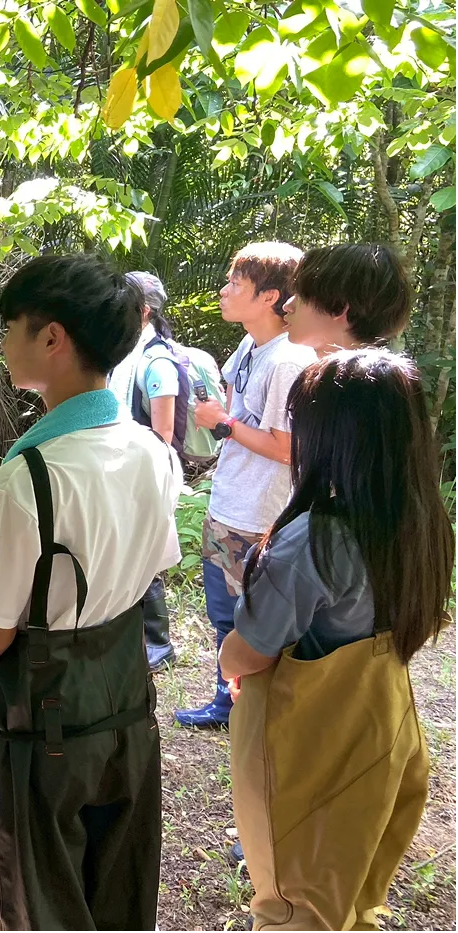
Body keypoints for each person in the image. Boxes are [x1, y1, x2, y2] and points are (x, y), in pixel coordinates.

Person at [0, 254, 181, 933]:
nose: (2, 342)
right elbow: (152, 566)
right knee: (120, 892)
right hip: (125, 707)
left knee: (36, 904)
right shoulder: (150, 451)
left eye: (10, 327)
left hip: (41, 725)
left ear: (52, 338)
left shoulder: (28, 475)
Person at [222, 350, 453, 931]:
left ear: (333, 439)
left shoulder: (314, 539)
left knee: (295, 908)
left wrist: (227, 649)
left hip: (316, 749)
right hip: (389, 730)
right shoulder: (420, 521)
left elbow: (248, 653)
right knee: (352, 893)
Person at [175, 242, 314, 729]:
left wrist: (223, 424)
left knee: (255, 621)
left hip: (260, 515)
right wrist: (224, 420)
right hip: (231, 501)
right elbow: (234, 407)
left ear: (270, 296)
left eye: (237, 283)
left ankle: (260, 710)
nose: (224, 290)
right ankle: (229, 704)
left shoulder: (288, 362)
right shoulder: (249, 347)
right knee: (223, 615)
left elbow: (287, 448)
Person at [106, 270, 180, 673]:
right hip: (125, 467)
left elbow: (164, 433)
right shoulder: (127, 354)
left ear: (145, 312)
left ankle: (158, 644)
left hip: (145, 471)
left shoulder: (156, 361)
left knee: (146, 557)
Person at [284, 242, 413, 353]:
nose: (287, 306)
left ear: (338, 307)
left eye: (301, 297)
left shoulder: (346, 381)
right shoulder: (382, 379)